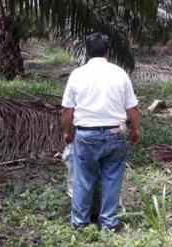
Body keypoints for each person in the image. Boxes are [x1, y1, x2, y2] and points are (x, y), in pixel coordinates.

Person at [61, 32, 140, 231]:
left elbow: (67, 110)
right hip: (115, 133)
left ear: (87, 52)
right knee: (112, 179)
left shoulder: (77, 74)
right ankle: (109, 223)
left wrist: (67, 132)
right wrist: (136, 129)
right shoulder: (119, 73)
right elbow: (132, 108)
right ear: (108, 52)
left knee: (83, 180)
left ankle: (80, 224)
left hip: (86, 135)